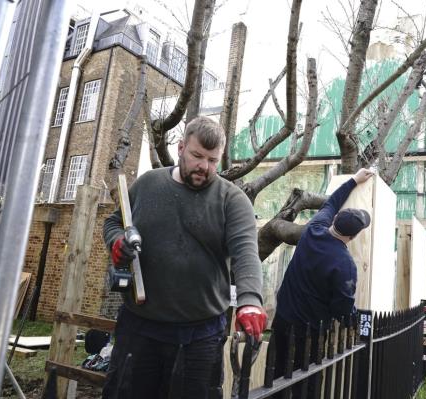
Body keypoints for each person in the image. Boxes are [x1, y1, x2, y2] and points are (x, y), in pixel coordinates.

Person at [102, 116, 266, 399]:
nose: (204, 166)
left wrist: (250, 301)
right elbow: (115, 222)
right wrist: (117, 242)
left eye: (213, 160)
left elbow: (246, 252)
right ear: (180, 148)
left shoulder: (232, 200)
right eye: (197, 156)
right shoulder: (148, 184)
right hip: (140, 327)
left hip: (200, 335)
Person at [272, 168, 374, 397]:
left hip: (283, 319)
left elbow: (332, 202)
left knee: (275, 376)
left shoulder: (314, 229)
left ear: (335, 219)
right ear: (353, 236)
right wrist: (356, 318)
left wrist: (354, 180)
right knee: (305, 382)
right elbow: (342, 308)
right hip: (309, 332)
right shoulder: (344, 264)